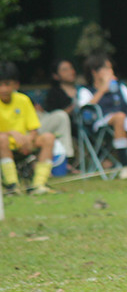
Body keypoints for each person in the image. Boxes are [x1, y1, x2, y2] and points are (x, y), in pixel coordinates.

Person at [77, 53, 127, 179]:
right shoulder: (85, 90)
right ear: (95, 72)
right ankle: (125, 166)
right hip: (101, 124)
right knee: (119, 116)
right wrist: (102, 90)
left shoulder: (120, 87)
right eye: (107, 68)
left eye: (111, 68)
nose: (111, 72)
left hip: (123, 120)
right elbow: (85, 109)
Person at [0, 61, 55, 195]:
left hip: (23, 143)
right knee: (2, 139)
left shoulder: (23, 100)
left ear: (16, 85)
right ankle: (13, 185)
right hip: (3, 143)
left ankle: (38, 185)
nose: (3, 89)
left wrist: (28, 140)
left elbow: (34, 128)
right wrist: (11, 134)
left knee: (48, 138)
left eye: (7, 84)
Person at [39, 58, 77, 167]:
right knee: (62, 116)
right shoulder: (53, 93)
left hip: (79, 127)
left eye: (71, 68)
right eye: (65, 70)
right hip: (56, 129)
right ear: (56, 76)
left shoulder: (81, 90)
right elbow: (50, 114)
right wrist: (69, 111)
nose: (70, 71)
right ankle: (66, 160)